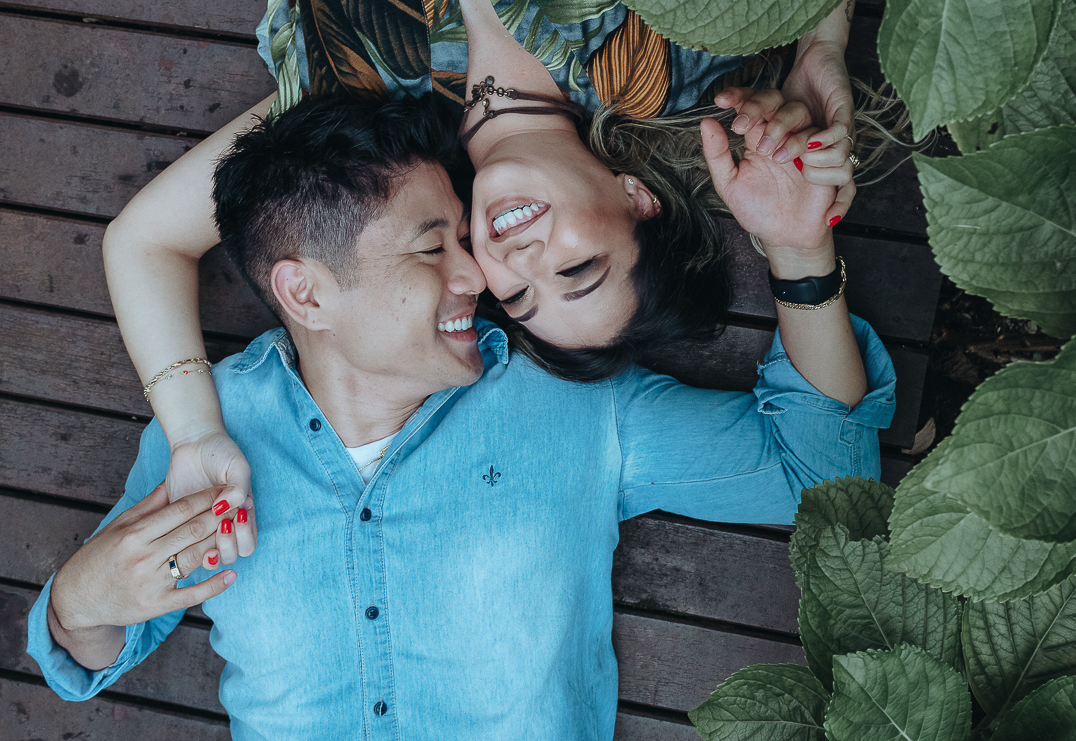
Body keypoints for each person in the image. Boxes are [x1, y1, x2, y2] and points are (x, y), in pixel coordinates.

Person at [102, 0, 862, 525]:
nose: (523, 260)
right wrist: (822, 52)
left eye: (520, 295)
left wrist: (196, 432)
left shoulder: (367, 130)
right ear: (635, 198)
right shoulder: (668, 61)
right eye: (575, 269)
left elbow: (146, 241)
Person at [29, 94, 895, 739]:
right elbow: (90, 644)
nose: (480, 277)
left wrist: (799, 251)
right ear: (305, 291)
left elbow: (820, 480)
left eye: (464, 240)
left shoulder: (570, 407)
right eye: (430, 245)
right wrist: (83, 595)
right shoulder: (204, 435)